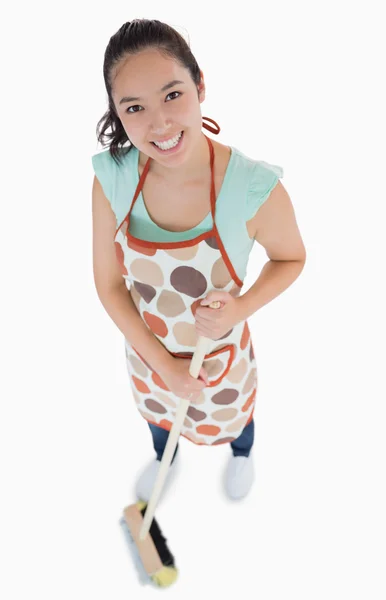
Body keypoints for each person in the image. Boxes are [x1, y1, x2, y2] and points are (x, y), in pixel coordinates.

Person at [91, 18, 306, 502]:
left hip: (221, 361)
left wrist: (240, 308)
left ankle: (243, 456)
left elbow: (291, 258)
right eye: (135, 108)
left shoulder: (252, 187)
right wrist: (163, 366)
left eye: (172, 95)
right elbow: (108, 285)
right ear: (118, 114)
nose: (160, 124)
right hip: (148, 354)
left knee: (237, 420)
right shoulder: (114, 179)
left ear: (200, 85)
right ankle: (165, 459)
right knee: (160, 419)